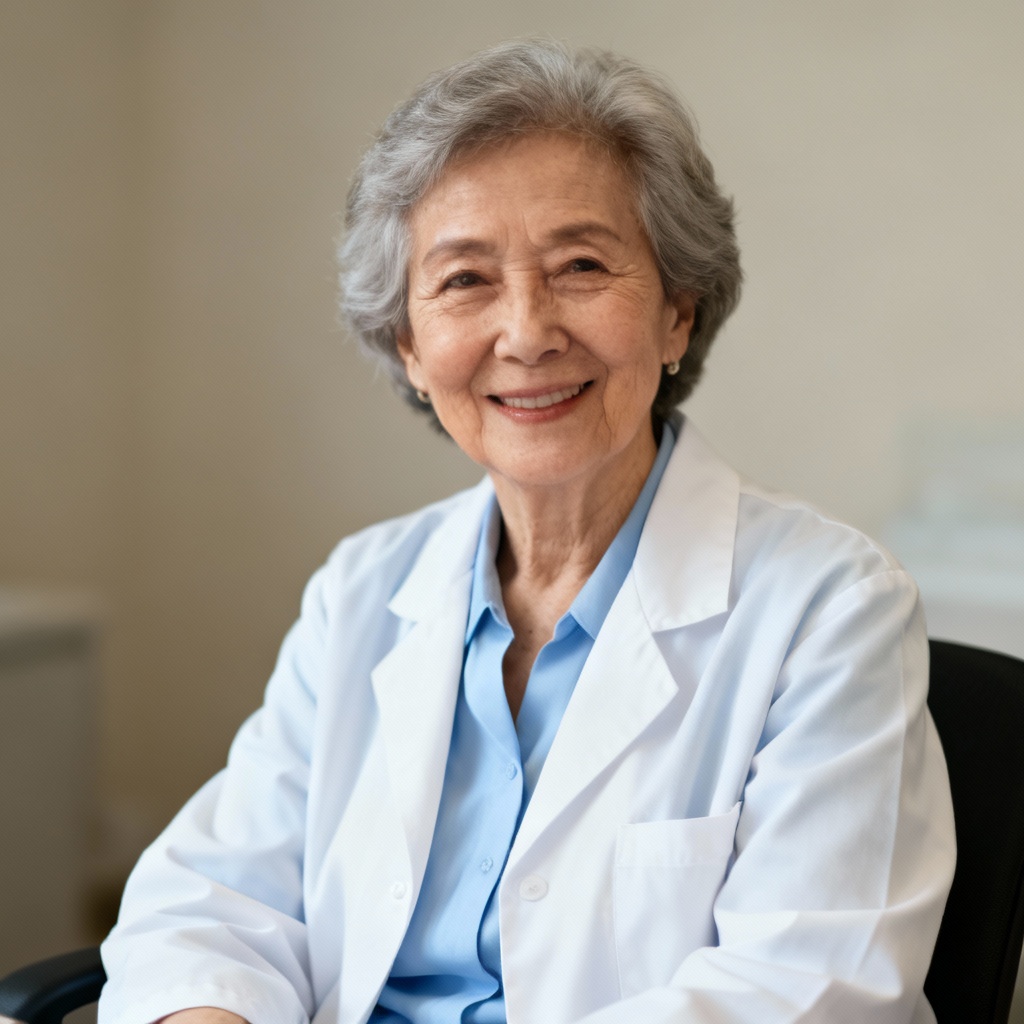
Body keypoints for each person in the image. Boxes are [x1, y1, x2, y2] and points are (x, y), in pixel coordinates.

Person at [98, 40, 955, 1024]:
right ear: (408, 345)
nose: (527, 332)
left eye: (581, 266)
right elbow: (209, 901)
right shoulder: (361, 590)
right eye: (465, 280)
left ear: (677, 313)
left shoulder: (830, 608)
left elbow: (806, 988)